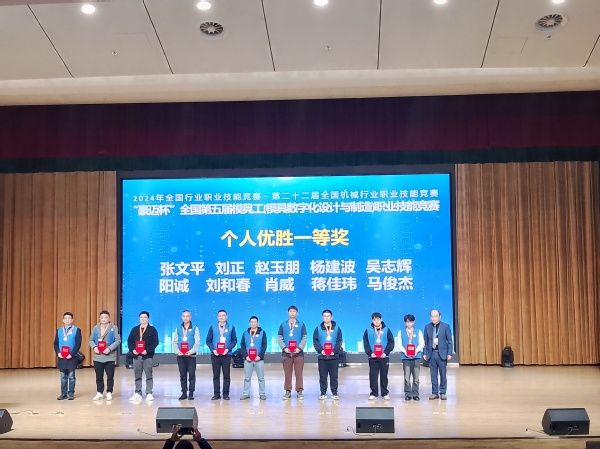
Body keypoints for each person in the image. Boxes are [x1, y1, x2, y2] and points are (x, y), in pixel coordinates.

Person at [127, 310, 159, 402]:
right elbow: (129, 341)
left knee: (149, 375)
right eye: (141, 317)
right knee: (137, 375)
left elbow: (155, 342)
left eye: (145, 317)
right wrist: (133, 350)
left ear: (148, 318)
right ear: (139, 318)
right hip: (136, 356)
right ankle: (138, 393)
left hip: (147, 356)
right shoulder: (134, 329)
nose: (143, 319)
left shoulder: (152, 329)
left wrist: (147, 351)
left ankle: (149, 393)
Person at [205, 309, 237, 401]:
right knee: (216, 375)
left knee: (226, 375)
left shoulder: (231, 327)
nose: (221, 317)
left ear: (226, 317)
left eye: (223, 315)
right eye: (220, 316)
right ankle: (216, 394)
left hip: (226, 355)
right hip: (215, 355)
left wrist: (227, 349)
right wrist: (213, 350)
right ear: (217, 317)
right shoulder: (212, 327)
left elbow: (234, 341)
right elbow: (208, 340)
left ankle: (226, 394)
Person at [89, 310, 121, 401]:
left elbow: (118, 340)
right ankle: (99, 392)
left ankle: (109, 392)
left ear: (109, 318)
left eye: (106, 317)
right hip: (98, 357)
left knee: (110, 376)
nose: (104, 319)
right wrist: (94, 347)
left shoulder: (113, 328)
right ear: (99, 318)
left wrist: (109, 348)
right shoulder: (95, 328)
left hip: (109, 357)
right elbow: (91, 340)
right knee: (99, 376)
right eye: (102, 317)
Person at [362, 312, 394, 401]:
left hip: (384, 357)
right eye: (374, 319)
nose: (376, 321)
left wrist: (386, 352)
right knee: (373, 376)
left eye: (378, 319)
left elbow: (391, 342)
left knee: (384, 375)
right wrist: (370, 353)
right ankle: (373, 393)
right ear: (372, 320)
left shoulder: (387, 330)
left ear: (381, 320)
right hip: (373, 357)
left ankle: (385, 393)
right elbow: (365, 343)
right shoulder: (368, 330)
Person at [278, 305, 307, 400]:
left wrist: (299, 348)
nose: (292, 313)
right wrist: (284, 348)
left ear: (297, 313)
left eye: (294, 311)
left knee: (299, 373)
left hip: (298, 353)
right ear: (288, 313)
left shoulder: (301, 324)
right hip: (286, 353)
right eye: (290, 311)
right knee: (287, 373)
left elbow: (304, 337)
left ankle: (299, 391)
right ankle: (287, 391)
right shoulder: (283, 324)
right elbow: (279, 337)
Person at [313, 309, 343, 400]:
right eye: (325, 316)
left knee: (334, 376)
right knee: (323, 376)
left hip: (334, 357)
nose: (326, 317)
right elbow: (315, 341)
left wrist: (335, 350)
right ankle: (323, 393)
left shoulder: (337, 328)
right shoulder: (318, 328)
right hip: (322, 357)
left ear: (331, 317)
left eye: (328, 316)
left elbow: (339, 341)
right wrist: (321, 350)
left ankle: (334, 393)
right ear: (322, 317)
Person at [423, 309, 453, 400]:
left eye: (436, 316)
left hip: (442, 354)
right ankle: (434, 393)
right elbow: (425, 342)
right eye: (432, 316)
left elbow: (449, 341)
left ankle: (443, 392)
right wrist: (425, 353)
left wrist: (449, 353)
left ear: (440, 317)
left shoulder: (446, 326)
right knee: (433, 375)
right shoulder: (427, 327)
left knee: (443, 374)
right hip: (431, 354)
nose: (434, 318)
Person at [172, 310, 201, 401]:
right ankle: (184, 393)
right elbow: (174, 341)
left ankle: (191, 393)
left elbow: (197, 342)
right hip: (181, 356)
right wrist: (177, 351)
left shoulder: (195, 328)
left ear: (190, 317)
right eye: (184, 316)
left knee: (191, 374)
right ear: (181, 317)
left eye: (187, 316)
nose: (185, 318)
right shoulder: (178, 328)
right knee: (183, 375)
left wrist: (191, 351)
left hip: (191, 356)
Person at [54, 312, 82, 400]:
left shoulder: (77, 330)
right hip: (61, 357)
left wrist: (72, 354)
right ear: (63, 320)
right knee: (63, 376)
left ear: (72, 320)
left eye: (69, 318)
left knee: (71, 376)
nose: (67, 320)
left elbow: (78, 344)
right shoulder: (59, 330)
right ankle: (63, 394)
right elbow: (55, 343)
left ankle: (71, 393)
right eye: (65, 318)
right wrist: (58, 352)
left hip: (71, 357)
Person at [240, 316, 267, 400]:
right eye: (252, 322)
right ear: (249, 323)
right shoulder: (245, 333)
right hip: (248, 359)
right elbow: (242, 345)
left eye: (255, 322)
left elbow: (264, 345)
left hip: (259, 359)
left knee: (261, 378)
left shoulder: (262, 332)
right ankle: (246, 393)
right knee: (247, 378)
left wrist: (260, 356)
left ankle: (262, 393)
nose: (253, 323)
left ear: (258, 323)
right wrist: (246, 356)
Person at [398, 314, 425, 401]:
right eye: (407, 322)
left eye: (410, 322)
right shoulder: (401, 332)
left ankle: (415, 394)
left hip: (416, 357)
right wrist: (405, 352)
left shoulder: (418, 332)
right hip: (405, 357)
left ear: (414, 322)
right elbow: (399, 344)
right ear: (405, 323)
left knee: (416, 378)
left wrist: (416, 351)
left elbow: (422, 343)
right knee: (406, 377)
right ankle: (408, 394)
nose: (409, 323)